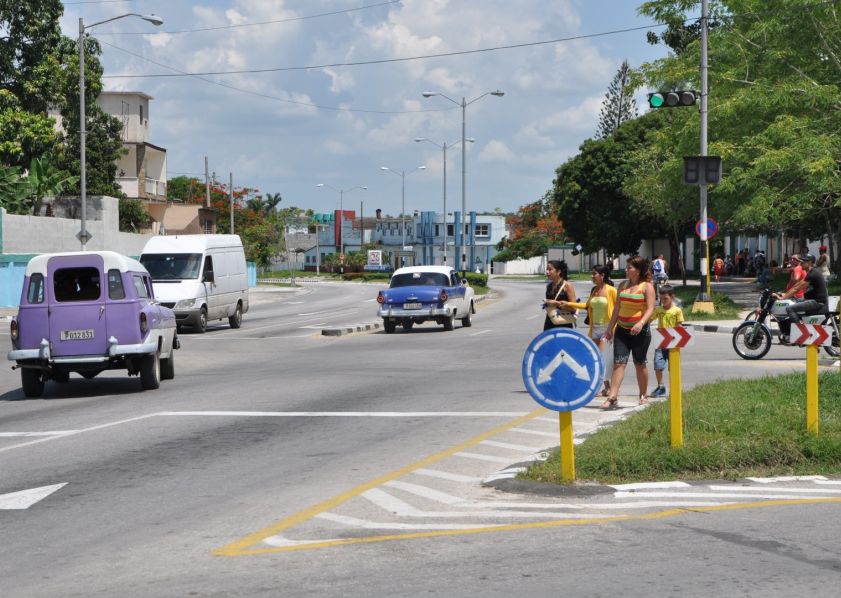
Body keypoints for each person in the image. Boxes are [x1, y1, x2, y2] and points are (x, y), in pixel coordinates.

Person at [602, 256, 656, 408]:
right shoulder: (623, 285)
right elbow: (617, 308)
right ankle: (612, 396)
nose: (626, 270)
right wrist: (610, 328)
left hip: (640, 331)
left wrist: (640, 323)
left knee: (640, 363)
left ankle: (643, 395)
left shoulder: (647, 287)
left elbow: (651, 308)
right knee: (619, 363)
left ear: (638, 271)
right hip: (622, 330)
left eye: (629, 268)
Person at [559, 264, 617, 398]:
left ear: (602, 276)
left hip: (607, 328)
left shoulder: (611, 290)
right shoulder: (594, 290)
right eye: (592, 274)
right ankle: (606, 388)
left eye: (594, 274)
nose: (592, 276)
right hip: (595, 328)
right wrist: (568, 304)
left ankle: (606, 388)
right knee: (596, 358)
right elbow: (587, 305)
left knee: (602, 358)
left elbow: (618, 308)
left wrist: (613, 328)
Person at [775, 253, 829, 343]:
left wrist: (783, 298)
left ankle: (802, 333)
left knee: (790, 309)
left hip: (817, 302)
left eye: (803, 262)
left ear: (810, 262)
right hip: (813, 300)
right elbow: (797, 285)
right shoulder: (811, 272)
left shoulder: (813, 273)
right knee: (794, 304)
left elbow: (797, 288)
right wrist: (784, 294)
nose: (801, 264)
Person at [647, 285, 684, 398]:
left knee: (673, 367)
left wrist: (677, 337)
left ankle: (675, 387)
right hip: (661, 342)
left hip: (673, 343)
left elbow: (680, 325)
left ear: (672, 297)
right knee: (658, 365)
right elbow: (649, 319)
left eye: (665, 299)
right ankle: (661, 386)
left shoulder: (677, 311)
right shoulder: (659, 310)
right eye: (661, 299)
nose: (663, 301)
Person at [542, 260, 578, 331]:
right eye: (547, 269)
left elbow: (574, 308)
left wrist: (557, 304)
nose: (547, 272)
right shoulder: (549, 286)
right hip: (550, 321)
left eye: (550, 269)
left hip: (564, 322)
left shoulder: (567, 285)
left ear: (558, 272)